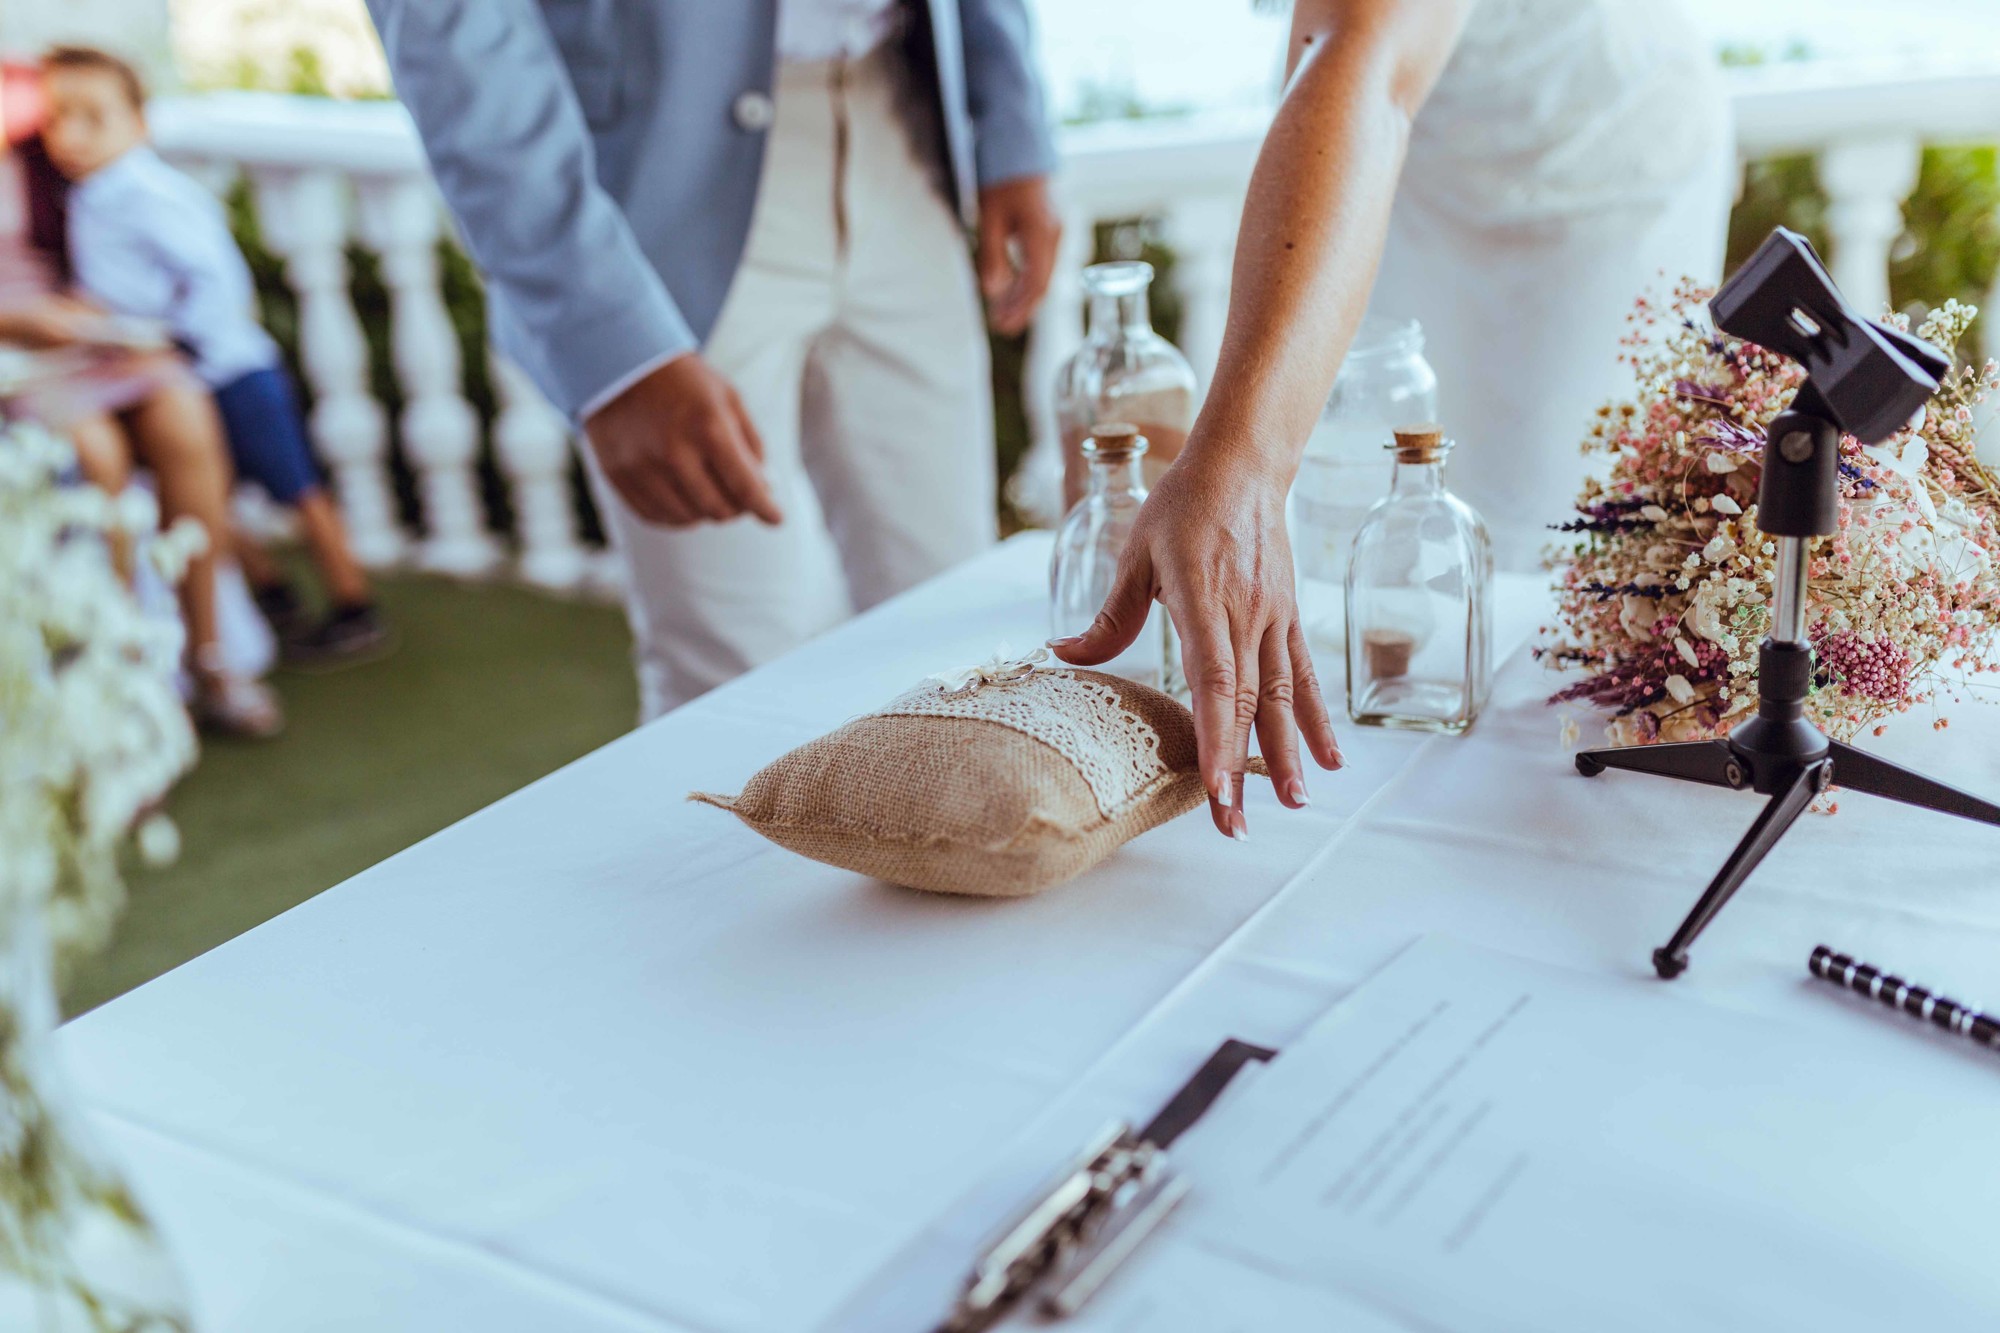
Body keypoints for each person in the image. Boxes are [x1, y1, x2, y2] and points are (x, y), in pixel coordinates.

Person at [1051, 0, 1732, 838]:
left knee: (1548, 551)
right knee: (1387, 538)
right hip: (1387, 148)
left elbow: (1365, 59)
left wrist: (1241, 464)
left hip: (1588, 152)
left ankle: (1543, 842)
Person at [364, 0, 1061, 719]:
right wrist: (613, 347)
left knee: (954, 637)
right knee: (730, 690)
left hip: (904, 119)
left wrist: (1011, 117)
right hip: (661, 175)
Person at [39, 45, 389, 665]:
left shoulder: (148, 191)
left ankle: (352, 600)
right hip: (166, 369)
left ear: (139, 123)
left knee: (296, 486)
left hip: (224, 368)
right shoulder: (86, 197)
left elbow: (211, 280)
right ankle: (272, 592)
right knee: (210, 495)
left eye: (94, 117)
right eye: (58, 118)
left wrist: (177, 339)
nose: (72, 135)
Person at [3, 101, 284, 737]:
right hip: (17, 353)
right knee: (96, 455)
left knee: (184, 414)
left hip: (94, 336)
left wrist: (121, 318)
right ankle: (127, 669)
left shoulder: (41, 136)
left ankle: (209, 655)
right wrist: (21, 322)